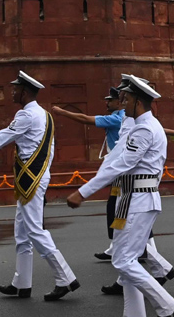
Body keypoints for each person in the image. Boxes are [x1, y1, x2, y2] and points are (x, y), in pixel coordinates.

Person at [67, 75, 174, 317]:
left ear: (138, 102)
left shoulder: (145, 129)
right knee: (127, 260)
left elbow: (122, 164)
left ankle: (167, 307)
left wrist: (83, 192)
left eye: (126, 98)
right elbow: (114, 158)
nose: (122, 102)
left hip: (139, 199)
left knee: (123, 260)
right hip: (130, 198)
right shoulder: (135, 125)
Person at [0, 71, 79, 301]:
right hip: (33, 178)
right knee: (22, 232)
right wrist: (43, 176)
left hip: (31, 179)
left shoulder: (26, 116)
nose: (12, 92)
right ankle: (22, 283)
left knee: (34, 231)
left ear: (25, 92)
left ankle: (65, 278)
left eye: (15, 89)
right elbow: (48, 150)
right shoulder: (45, 115)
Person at [53, 86, 125, 260]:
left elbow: (85, 119)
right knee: (118, 207)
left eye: (110, 100)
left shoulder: (117, 118)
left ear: (119, 102)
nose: (107, 102)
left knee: (119, 208)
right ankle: (117, 246)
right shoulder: (128, 118)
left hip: (120, 169)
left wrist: (62, 112)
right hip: (120, 168)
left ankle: (138, 249)